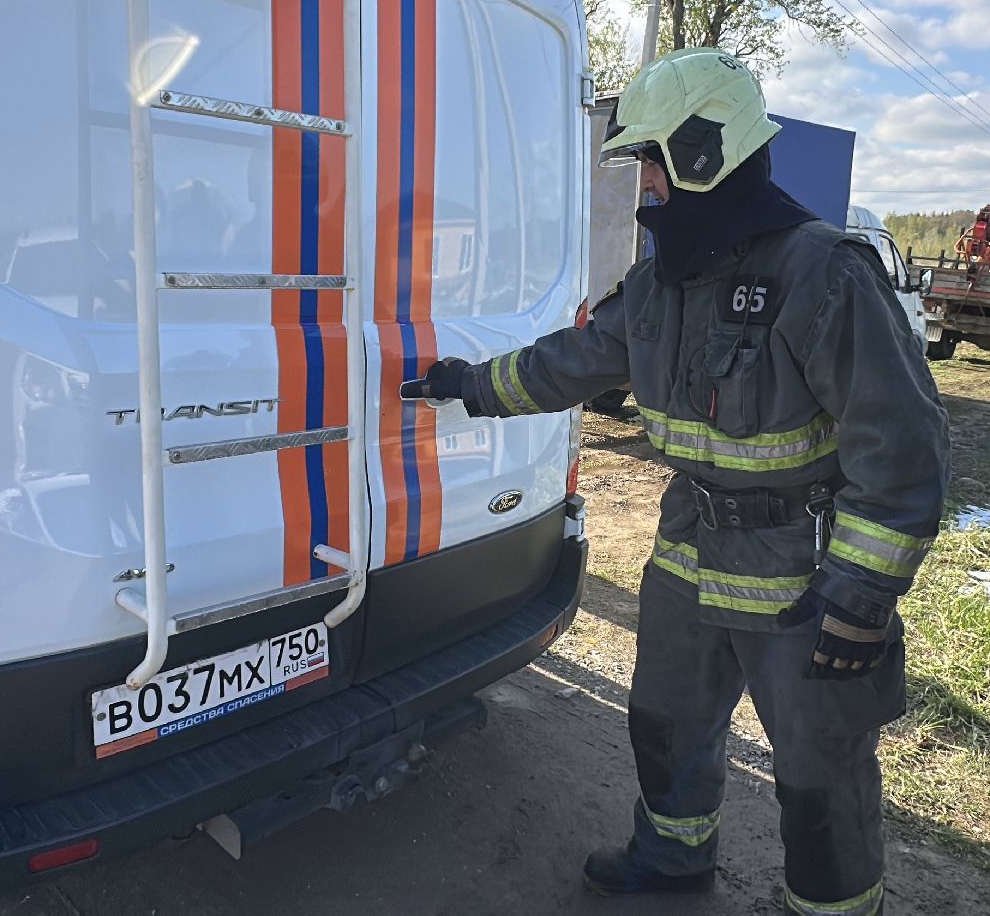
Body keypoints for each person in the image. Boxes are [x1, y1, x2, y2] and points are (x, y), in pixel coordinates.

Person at [404, 47, 950, 914]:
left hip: (801, 578)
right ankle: (673, 859)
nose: (646, 184)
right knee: (665, 723)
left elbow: (903, 450)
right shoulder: (663, 281)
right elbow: (575, 360)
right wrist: (471, 385)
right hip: (689, 549)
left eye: (652, 160)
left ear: (705, 152)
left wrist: (860, 597)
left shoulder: (823, 271)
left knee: (821, 770)